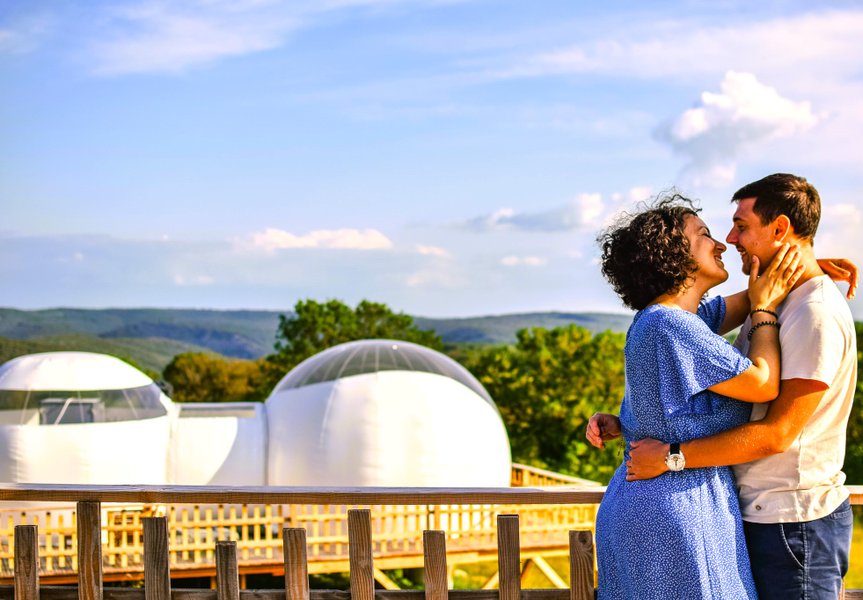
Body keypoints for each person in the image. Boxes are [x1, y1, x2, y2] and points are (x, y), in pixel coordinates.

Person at [589, 174, 858, 599]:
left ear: (781, 229)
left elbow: (740, 304)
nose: (724, 242)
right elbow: (763, 384)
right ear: (678, 256)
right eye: (707, 235)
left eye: (738, 227)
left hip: (682, 502)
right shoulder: (673, 324)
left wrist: (805, 270)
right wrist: (768, 306)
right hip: (673, 509)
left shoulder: (675, 319)